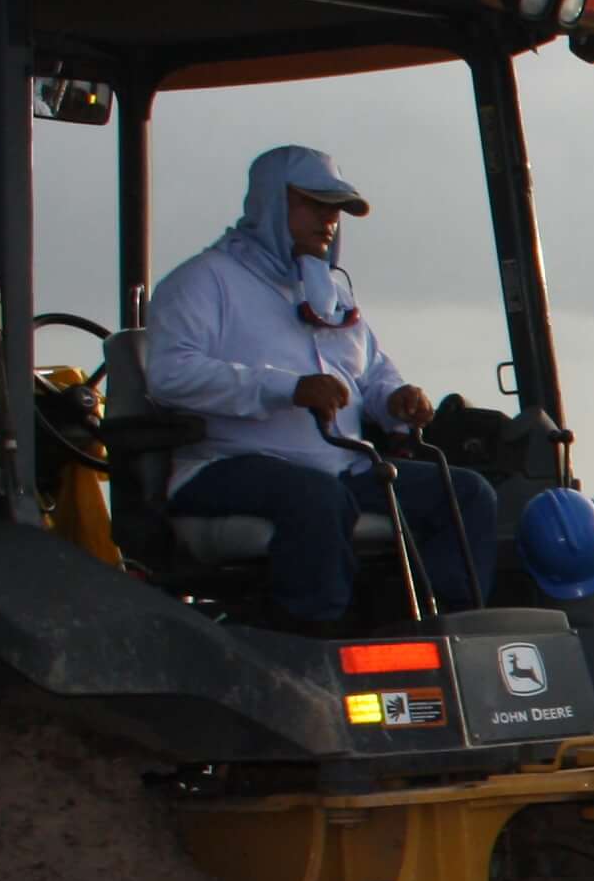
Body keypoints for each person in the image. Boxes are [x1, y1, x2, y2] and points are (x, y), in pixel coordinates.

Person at [145, 144, 497, 631]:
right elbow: (169, 375)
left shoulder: (333, 290)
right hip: (223, 465)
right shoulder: (203, 281)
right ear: (271, 201)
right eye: (314, 204)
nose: (329, 219)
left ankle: (433, 633)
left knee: (468, 492)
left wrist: (396, 401)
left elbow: (372, 373)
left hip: (341, 468)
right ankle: (315, 640)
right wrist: (287, 388)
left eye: (336, 209)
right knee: (316, 498)